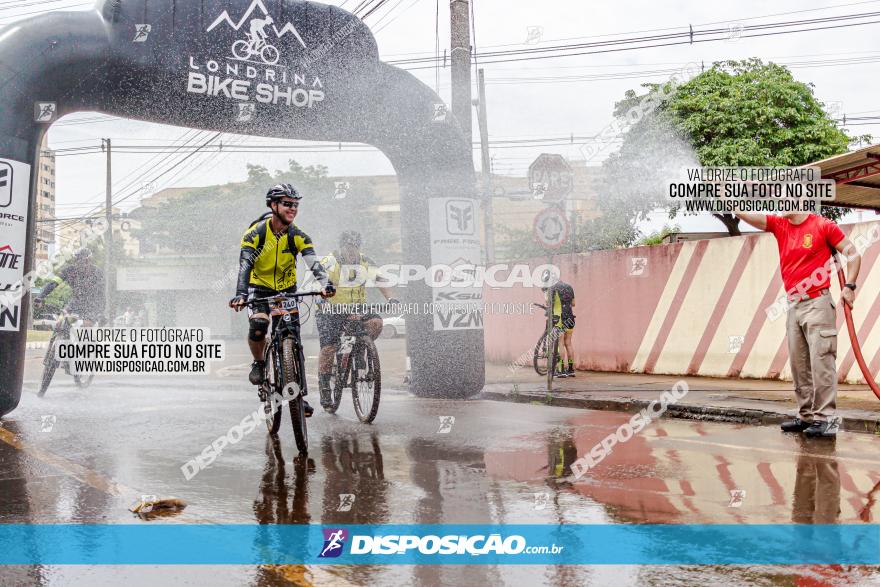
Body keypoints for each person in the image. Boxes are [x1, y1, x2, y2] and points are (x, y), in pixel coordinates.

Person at [735, 211, 860, 438]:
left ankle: (826, 419)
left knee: (821, 363)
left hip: (818, 303)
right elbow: (755, 218)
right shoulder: (780, 225)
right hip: (793, 305)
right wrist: (731, 203)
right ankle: (807, 417)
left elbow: (852, 253)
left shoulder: (823, 225)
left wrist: (849, 286)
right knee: (799, 364)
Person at [229, 183, 335, 417]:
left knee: (294, 343)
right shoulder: (255, 234)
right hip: (259, 289)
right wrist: (241, 293)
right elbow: (245, 265)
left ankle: (300, 397)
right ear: (273, 205)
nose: (293, 209)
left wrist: (324, 283)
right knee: (258, 326)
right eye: (287, 204)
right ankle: (258, 362)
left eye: (295, 205)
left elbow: (313, 263)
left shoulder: (298, 236)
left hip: (287, 292)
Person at [316, 230, 398, 409]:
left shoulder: (365, 261)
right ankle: (324, 388)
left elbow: (380, 279)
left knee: (376, 323)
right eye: (348, 247)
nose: (352, 252)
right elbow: (318, 282)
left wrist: (390, 298)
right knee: (329, 348)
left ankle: (360, 348)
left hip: (356, 308)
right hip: (329, 309)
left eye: (355, 247)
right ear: (341, 247)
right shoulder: (331, 261)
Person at [34, 248, 105, 326]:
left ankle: (86, 336)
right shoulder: (69, 271)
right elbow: (52, 283)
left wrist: (99, 313)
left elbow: (101, 295)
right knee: (60, 322)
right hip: (76, 301)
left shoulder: (97, 272)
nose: (79, 263)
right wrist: (40, 297)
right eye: (77, 260)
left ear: (88, 261)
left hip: (93, 303)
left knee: (86, 325)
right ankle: (60, 336)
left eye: (83, 261)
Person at [541, 271, 576, 377]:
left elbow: (548, 303)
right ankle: (570, 369)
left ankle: (560, 370)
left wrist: (545, 293)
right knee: (568, 344)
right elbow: (573, 303)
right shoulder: (569, 287)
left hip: (559, 318)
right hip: (570, 317)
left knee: (559, 344)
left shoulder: (551, 288)